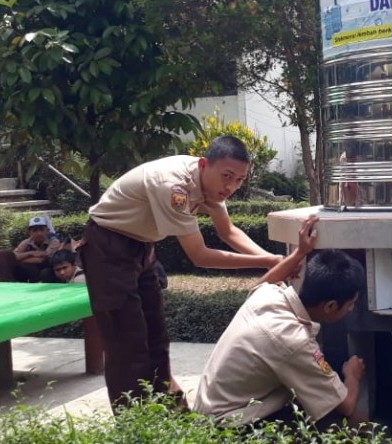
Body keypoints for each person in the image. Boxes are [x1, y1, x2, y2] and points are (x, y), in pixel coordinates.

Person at [78, 135, 301, 414]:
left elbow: (228, 231)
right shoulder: (175, 187)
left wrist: (273, 263)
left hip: (142, 247)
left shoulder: (210, 186)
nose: (231, 186)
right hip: (108, 249)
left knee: (157, 339)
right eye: (227, 176)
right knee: (128, 344)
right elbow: (200, 255)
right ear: (204, 164)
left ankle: (166, 414)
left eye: (239, 180)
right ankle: (133, 425)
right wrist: (269, 260)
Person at [194, 244, 367, 427]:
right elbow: (346, 405)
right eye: (350, 304)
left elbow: (262, 284)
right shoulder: (294, 342)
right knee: (353, 420)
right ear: (330, 306)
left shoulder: (268, 295)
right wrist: (352, 375)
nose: (352, 309)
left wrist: (299, 252)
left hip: (209, 410)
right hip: (229, 426)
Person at [13, 216, 62, 282]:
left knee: (46, 272)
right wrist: (30, 253)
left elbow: (43, 259)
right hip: (33, 270)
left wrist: (21, 258)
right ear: (29, 232)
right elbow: (13, 256)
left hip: (50, 268)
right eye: (35, 230)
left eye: (41, 229)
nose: (39, 233)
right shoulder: (26, 242)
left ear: (47, 231)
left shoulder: (54, 241)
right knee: (21, 269)